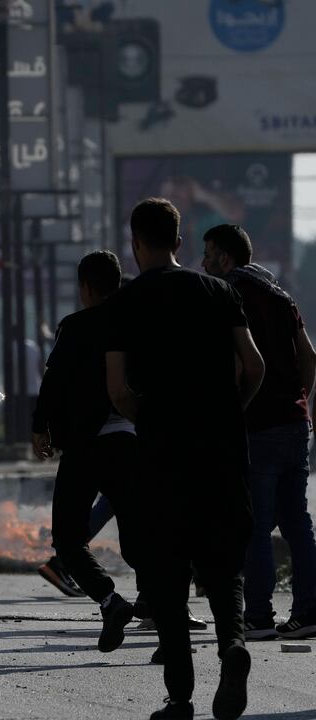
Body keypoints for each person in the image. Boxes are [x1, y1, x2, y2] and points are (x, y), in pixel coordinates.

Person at [106, 198, 263, 720]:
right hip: (220, 448)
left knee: (165, 568)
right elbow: (254, 366)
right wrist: (228, 410)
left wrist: (151, 418)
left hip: (162, 452)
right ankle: (232, 646)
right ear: (178, 242)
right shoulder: (221, 291)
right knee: (223, 562)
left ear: (134, 243)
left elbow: (119, 392)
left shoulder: (124, 303)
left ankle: (180, 696)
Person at [202, 224, 316, 641]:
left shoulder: (228, 296)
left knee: (255, 526)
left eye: (208, 254)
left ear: (226, 259)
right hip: (292, 423)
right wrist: (302, 402)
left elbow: (239, 366)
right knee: (297, 524)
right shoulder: (281, 296)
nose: (203, 263)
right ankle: (308, 611)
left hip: (257, 428)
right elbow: (309, 357)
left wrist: (234, 413)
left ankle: (259, 616)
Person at [31, 250, 140, 652]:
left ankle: (110, 600)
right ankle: (167, 613)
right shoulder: (136, 325)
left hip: (84, 445)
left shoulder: (75, 326)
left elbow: (53, 382)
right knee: (139, 540)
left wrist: (39, 427)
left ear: (86, 287)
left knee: (69, 540)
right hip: (128, 441)